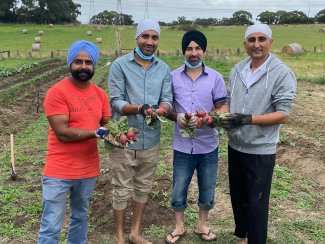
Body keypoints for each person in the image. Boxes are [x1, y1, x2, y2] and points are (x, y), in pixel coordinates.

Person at [220, 24, 297, 244]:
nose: (256, 44)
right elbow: (227, 102)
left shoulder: (281, 73)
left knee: (257, 201)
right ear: (245, 44)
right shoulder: (237, 70)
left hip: (260, 149)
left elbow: (283, 114)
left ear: (270, 42)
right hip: (235, 145)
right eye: (251, 40)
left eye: (261, 39)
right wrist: (216, 117)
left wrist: (247, 119)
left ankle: (256, 240)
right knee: (239, 196)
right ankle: (243, 236)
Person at [38, 40, 112, 244]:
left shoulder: (100, 94)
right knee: (51, 225)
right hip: (59, 171)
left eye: (88, 62)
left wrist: (123, 135)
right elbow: (62, 132)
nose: (83, 66)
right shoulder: (57, 92)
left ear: (94, 65)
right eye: (78, 61)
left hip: (88, 170)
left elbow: (110, 126)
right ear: (70, 63)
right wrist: (96, 133)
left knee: (80, 218)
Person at [108, 19, 173, 244]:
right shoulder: (119, 65)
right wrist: (139, 108)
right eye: (145, 36)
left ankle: (135, 233)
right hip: (124, 140)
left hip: (151, 140)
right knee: (121, 189)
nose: (149, 41)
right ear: (136, 38)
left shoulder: (163, 68)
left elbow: (167, 99)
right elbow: (116, 100)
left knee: (143, 187)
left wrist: (163, 109)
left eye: (154, 37)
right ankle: (119, 236)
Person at [165, 30, 228, 243]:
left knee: (208, 185)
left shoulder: (215, 77)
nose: (194, 53)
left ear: (203, 50)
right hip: (182, 145)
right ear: (183, 52)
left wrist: (209, 118)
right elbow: (167, 108)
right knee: (179, 186)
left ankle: (202, 224)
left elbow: (222, 106)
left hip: (208, 143)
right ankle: (179, 226)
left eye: (197, 48)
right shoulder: (172, 77)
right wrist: (178, 116)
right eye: (189, 49)